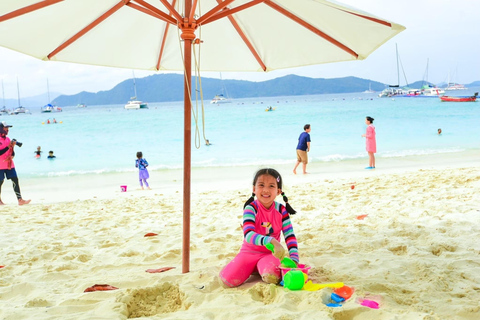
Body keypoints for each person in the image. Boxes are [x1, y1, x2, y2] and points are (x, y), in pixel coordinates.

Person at [219, 168, 299, 288]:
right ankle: (252, 267)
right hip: (248, 253)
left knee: (271, 277)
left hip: (270, 255)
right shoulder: (251, 209)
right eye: (261, 185)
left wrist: (294, 258)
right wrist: (271, 240)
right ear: (254, 189)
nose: (266, 190)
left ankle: (260, 267)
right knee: (227, 281)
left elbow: (290, 236)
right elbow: (249, 235)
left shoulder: (282, 210)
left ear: (278, 191)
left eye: (271, 186)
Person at [0, 121, 31, 205]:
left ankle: (20, 200)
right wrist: (8, 147)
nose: (7, 130)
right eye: (5, 128)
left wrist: (12, 152)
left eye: (8, 128)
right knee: (0, 182)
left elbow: (12, 152)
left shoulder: (7, 139)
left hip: (9, 164)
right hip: (0, 165)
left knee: (15, 180)